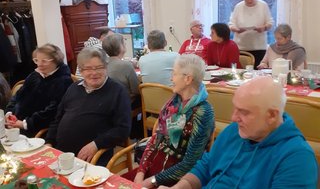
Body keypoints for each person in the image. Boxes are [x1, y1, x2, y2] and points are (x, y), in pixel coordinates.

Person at [161, 76, 318, 189]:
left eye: (244, 112)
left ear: (272, 115)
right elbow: (206, 166)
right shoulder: (235, 131)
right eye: (235, 108)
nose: (234, 118)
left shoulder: (297, 158)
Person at [124, 54, 214, 188]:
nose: (171, 78)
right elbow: (155, 139)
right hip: (156, 163)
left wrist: (151, 181)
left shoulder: (203, 112)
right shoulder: (174, 102)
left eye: (174, 73)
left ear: (188, 79)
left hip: (179, 177)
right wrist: (141, 172)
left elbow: (190, 162)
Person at [46, 47, 131, 166]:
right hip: (61, 154)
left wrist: (96, 144)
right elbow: (58, 119)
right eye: (88, 69)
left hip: (92, 158)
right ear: (81, 70)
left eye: (99, 68)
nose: (94, 73)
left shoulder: (118, 91)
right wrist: (49, 142)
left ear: (106, 68)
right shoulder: (73, 88)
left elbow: (123, 129)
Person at [5, 44, 73, 137]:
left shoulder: (63, 81)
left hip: (37, 130)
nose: (39, 64)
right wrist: (10, 113)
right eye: (36, 60)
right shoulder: (35, 75)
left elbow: (53, 111)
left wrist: (25, 124)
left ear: (56, 60)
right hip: (15, 123)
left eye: (44, 61)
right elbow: (18, 95)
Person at [229, 0, 274, 68]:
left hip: (259, 46)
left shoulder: (263, 5)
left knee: (259, 73)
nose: (249, 1)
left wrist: (263, 28)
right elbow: (231, 24)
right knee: (241, 73)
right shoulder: (238, 6)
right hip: (241, 46)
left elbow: (270, 22)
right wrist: (237, 29)